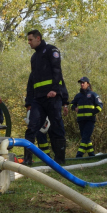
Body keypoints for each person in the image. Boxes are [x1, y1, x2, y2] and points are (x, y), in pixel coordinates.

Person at [24, 29, 69, 165]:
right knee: (32, 127)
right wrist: (29, 102)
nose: (29, 42)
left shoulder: (51, 50)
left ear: (38, 38)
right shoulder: (34, 57)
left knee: (56, 126)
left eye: (30, 39)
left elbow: (57, 70)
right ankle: (27, 160)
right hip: (38, 99)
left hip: (52, 97)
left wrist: (55, 90)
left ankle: (59, 160)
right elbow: (32, 81)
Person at [70, 76, 103, 157]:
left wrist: (93, 112)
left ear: (88, 84)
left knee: (84, 138)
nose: (81, 84)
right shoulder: (78, 95)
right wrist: (74, 107)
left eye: (83, 83)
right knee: (86, 139)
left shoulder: (93, 95)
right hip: (81, 120)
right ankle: (91, 155)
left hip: (90, 120)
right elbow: (71, 104)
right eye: (80, 83)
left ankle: (79, 155)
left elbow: (100, 105)